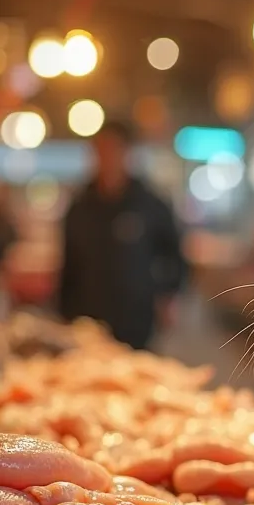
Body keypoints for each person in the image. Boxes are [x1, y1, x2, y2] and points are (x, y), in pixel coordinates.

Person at [58, 120, 185, 349]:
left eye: (113, 149)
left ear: (127, 152)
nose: (106, 157)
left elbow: (174, 255)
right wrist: (63, 312)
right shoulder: (79, 207)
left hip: (136, 321)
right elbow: (68, 263)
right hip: (87, 321)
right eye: (100, 150)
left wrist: (168, 295)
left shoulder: (150, 204)